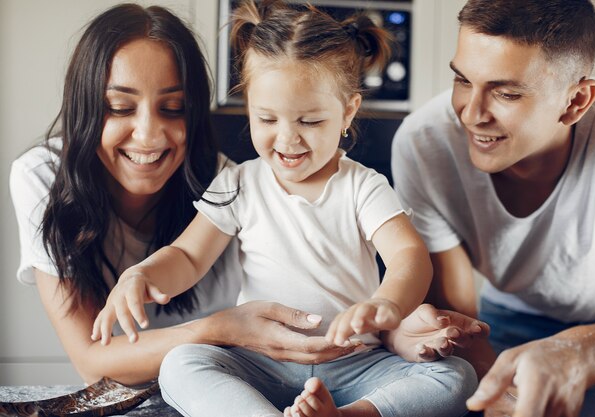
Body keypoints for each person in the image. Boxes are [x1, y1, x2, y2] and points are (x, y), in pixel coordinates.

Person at [92, 1, 478, 416]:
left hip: (353, 362)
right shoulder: (239, 183)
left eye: (309, 121)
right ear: (250, 109)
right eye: (267, 119)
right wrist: (142, 274)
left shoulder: (363, 186)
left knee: (456, 377)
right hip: (260, 362)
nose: (287, 140)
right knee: (180, 364)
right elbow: (187, 256)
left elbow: (408, 255)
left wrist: (387, 303)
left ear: (347, 111)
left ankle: (348, 414)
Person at [9, 2, 383, 387]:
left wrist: (392, 326)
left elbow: (333, 280)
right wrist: (220, 329)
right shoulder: (43, 177)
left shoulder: (226, 181)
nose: (149, 135)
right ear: (84, 107)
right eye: (120, 108)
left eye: (173, 108)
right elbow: (93, 364)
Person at [389, 0, 595, 416]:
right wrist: (486, 383)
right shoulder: (424, 143)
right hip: (505, 317)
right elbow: (460, 315)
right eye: (462, 80)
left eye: (506, 93)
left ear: (575, 102)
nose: (472, 114)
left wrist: (587, 352)